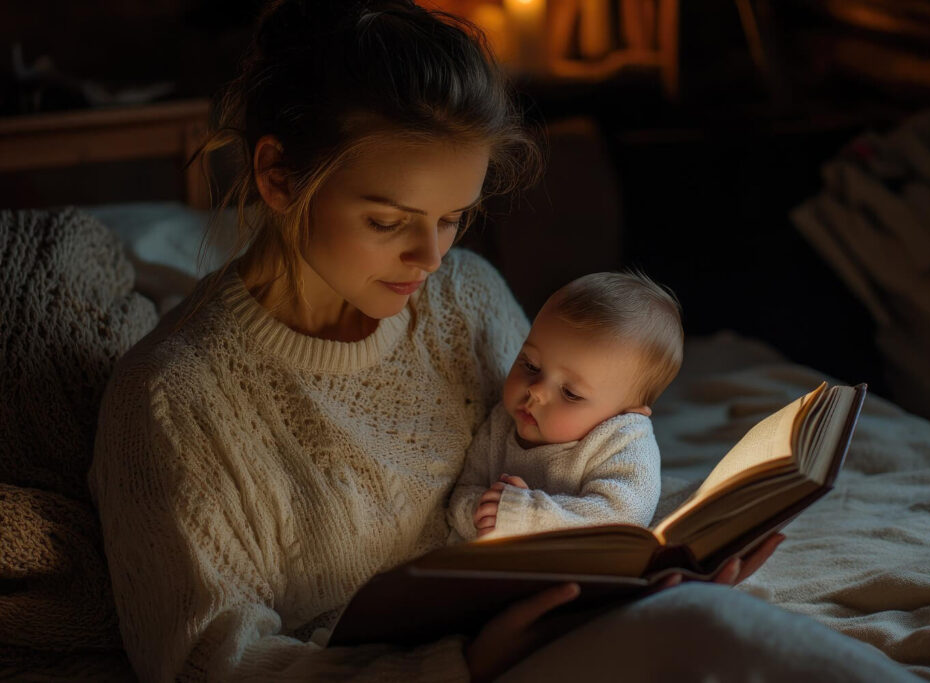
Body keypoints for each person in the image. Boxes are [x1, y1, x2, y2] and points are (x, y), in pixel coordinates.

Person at [88, 1, 783, 681]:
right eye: (390, 222)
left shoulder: (468, 296)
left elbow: (571, 461)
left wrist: (668, 561)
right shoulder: (174, 401)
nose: (430, 257)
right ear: (278, 176)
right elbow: (209, 661)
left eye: (453, 218)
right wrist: (467, 664)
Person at [447, 271, 682, 542]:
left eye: (570, 393)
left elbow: (621, 518)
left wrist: (528, 516)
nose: (535, 391)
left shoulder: (623, 440)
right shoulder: (502, 422)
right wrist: (481, 514)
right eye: (531, 365)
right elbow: (463, 492)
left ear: (625, 415)